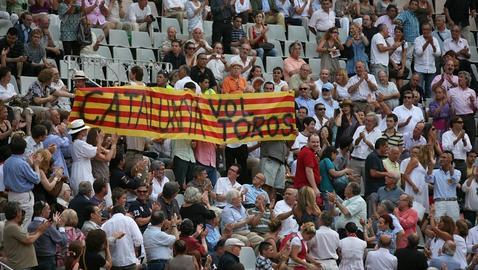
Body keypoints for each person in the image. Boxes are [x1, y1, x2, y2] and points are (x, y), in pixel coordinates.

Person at [4, 136, 42, 228]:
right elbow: (37, 179)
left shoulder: (7, 162)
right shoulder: (22, 164)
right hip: (23, 196)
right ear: (24, 149)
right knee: (23, 224)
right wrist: (36, 165)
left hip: (12, 195)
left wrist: (29, 164)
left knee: (12, 223)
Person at [3, 201, 50, 269]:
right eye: (20, 211)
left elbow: (27, 235)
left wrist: (38, 229)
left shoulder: (13, 225)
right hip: (20, 265)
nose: (22, 213)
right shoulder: (12, 226)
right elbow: (28, 240)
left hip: (23, 265)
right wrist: (40, 231)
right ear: (16, 213)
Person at [28, 201, 68, 270]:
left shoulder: (30, 225)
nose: (50, 211)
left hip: (34, 259)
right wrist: (61, 227)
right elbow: (63, 241)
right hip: (48, 261)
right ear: (43, 211)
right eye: (48, 209)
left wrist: (54, 224)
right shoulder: (47, 225)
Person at [102, 205, 143, 270]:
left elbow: (103, 243)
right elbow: (139, 240)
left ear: (111, 214)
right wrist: (135, 249)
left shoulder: (105, 225)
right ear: (124, 213)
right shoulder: (130, 220)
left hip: (114, 262)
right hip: (129, 260)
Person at [69, 119, 103, 195]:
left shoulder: (76, 143)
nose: (86, 130)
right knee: (87, 193)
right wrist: (99, 140)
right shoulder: (80, 143)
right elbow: (97, 152)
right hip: (82, 171)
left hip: (77, 169)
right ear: (81, 132)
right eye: (84, 129)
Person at [351, 113, 383, 191]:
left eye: (369, 121)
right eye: (366, 120)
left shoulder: (378, 132)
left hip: (368, 162)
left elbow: (376, 148)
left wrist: (365, 140)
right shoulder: (360, 128)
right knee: (353, 184)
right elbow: (353, 144)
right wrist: (359, 138)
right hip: (355, 160)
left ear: (375, 123)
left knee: (367, 184)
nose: (367, 122)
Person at [426, 151, 461, 221]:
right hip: (439, 203)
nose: (441, 159)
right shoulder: (435, 172)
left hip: (452, 203)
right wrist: (432, 166)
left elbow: (455, 180)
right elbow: (428, 179)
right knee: (438, 225)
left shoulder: (457, 172)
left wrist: (451, 168)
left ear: (450, 159)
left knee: (454, 225)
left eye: (444, 157)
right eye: (440, 157)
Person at [448, 71, 478, 150]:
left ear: (467, 80)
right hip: (457, 117)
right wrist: (450, 103)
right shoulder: (451, 91)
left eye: (461, 77)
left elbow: (474, 109)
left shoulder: (472, 92)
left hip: (469, 117)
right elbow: (448, 105)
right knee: (457, 138)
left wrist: (472, 102)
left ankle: (470, 157)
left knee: (471, 138)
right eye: (459, 77)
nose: (459, 79)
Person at [400, 145, 432, 212]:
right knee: (414, 208)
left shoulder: (424, 163)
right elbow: (405, 175)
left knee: (421, 210)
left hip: (422, 189)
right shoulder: (414, 160)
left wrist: (431, 166)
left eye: (416, 153)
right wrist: (413, 186)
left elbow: (427, 179)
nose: (414, 154)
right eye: (412, 152)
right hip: (414, 188)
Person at [413, 23, 441, 98]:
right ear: (422, 30)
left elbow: (438, 54)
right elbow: (418, 53)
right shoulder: (417, 39)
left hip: (431, 69)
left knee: (430, 90)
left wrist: (432, 44)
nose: (426, 31)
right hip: (419, 68)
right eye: (424, 29)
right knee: (419, 90)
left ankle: (428, 107)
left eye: (427, 29)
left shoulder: (434, 40)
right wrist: (427, 42)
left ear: (431, 30)